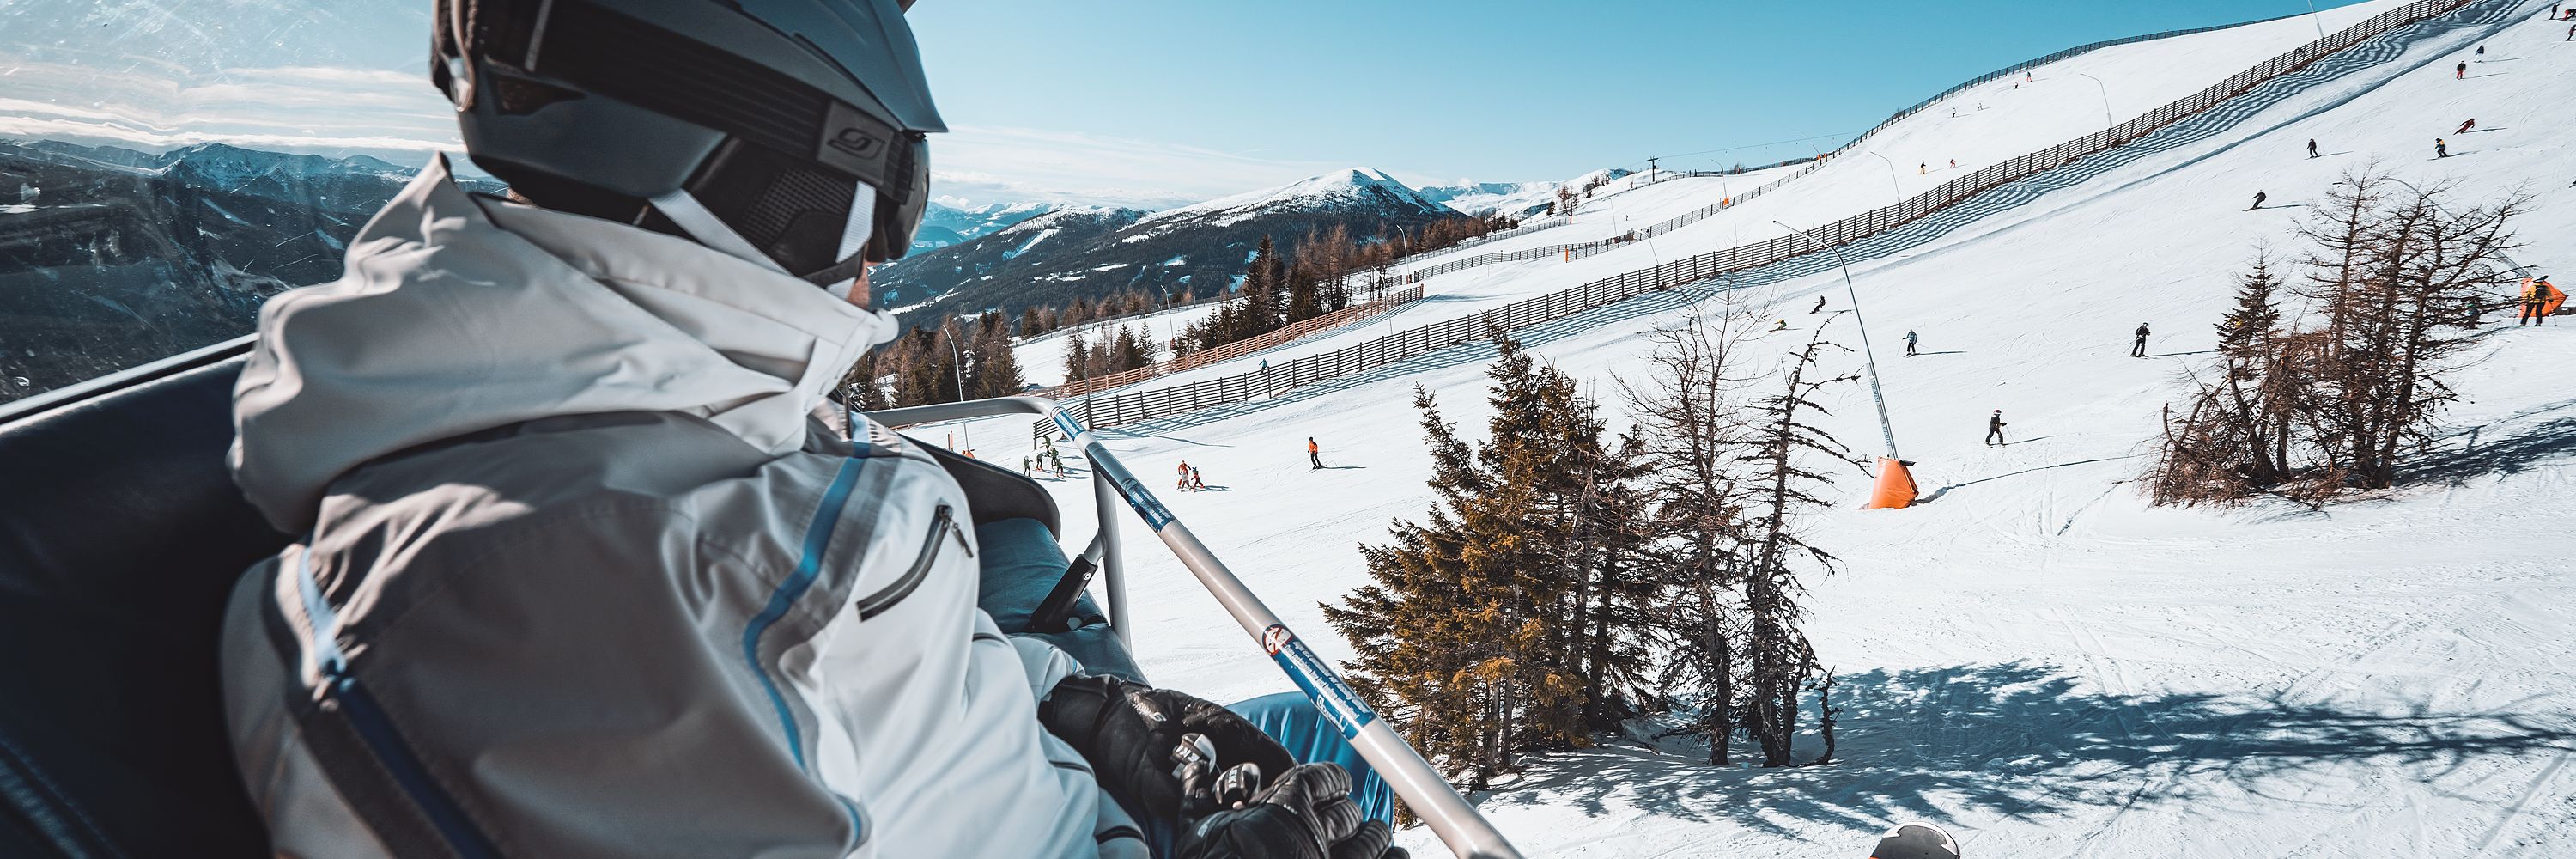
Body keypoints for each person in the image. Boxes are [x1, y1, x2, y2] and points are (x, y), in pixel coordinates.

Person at [213, 3, 1399, 859]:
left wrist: (1078, 707)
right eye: (898, 187)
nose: (888, 255)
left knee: (1322, 743)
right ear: (794, 167)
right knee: (1351, 767)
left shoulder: (654, 402)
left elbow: (890, 686)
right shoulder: (563, 590)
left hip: (1065, 787)